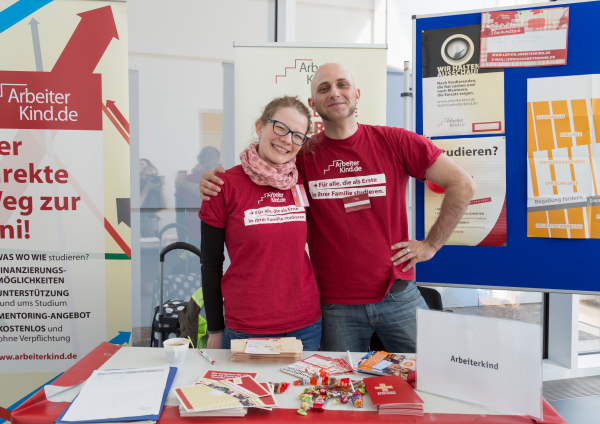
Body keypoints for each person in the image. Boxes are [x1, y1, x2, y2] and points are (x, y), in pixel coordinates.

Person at [201, 63, 475, 353]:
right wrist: (214, 181)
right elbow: (261, 170)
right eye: (323, 88)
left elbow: (463, 184)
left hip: (397, 296)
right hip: (334, 309)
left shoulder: (396, 141)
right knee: (337, 391)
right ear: (314, 103)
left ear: (356, 93)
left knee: (436, 372)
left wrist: (431, 245)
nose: (334, 93)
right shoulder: (303, 157)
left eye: (342, 85)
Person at [200, 96, 322, 350]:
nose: (287, 140)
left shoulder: (302, 181)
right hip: (247, 327)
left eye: (298, 135)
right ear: (260, 127)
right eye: (280, 127)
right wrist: (214, 327)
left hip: (306, 325)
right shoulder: (223, 185)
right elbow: (210, 263)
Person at [139, 158, 166, 237]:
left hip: (151, 218)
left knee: (151, 242)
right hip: (141, 217)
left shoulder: (152, 185)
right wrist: (147, 188)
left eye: (142, 164)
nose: (140, 167)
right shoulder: (136, 184)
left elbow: (163, 205)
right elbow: (137, 205)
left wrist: (161, 188)